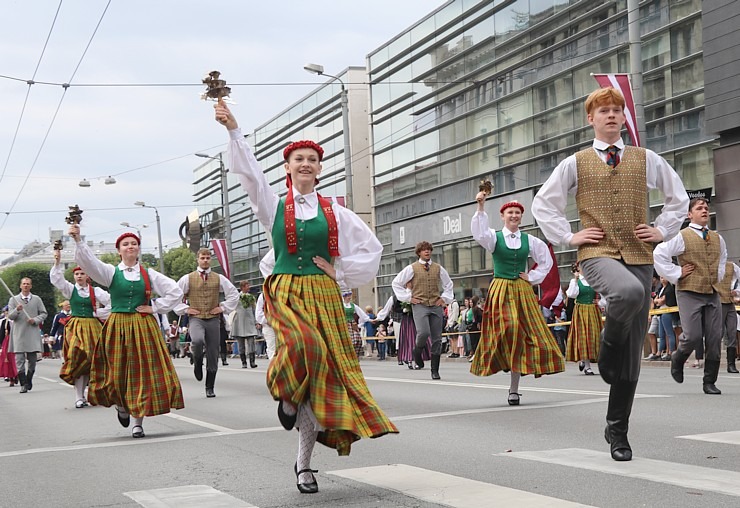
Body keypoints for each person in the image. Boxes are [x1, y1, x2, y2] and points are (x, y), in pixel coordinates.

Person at [215, 102, 398, 494]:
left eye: (312, 159)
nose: (306, 164)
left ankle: (304, 466)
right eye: (299, 158)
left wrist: (341, 271)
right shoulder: (273, 204)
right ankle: (283, 394)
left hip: (322, 290)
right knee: (305, 347)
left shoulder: (334, 210)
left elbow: (373, 248)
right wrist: (234, 130)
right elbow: (250, 174)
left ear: (320, 167)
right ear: (288, 166)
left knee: (320, 381)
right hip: (286, 289)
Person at [531, 86, 689, 461]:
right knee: (629, 294)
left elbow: (678, 197)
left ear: (623, 117)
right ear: (591, 118)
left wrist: (663, 230)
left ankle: (618, 431)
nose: (612, 115)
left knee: (632, 360)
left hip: (638, 252)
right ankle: (607, 347)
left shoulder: (646, 158)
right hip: (597, 252)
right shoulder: (576, 162)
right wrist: (570, 236)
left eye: (617, 110)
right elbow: (544, 204)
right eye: (604, 111)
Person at [70, 224, 184, 438]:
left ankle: (137, 422)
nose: (130, 246)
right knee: (117, 370)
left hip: (143, 326)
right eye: (126, 244)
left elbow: (175, 291)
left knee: (141, 372)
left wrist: (155, 307)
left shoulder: (149, 274)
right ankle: (122, 405)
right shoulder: (111, 273)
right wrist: (78, 240)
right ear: (119, 250)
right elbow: (89, 263)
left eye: (134, 244)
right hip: (118, 326)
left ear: (138, 249)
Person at [470, 196, 565, 405]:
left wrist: (531, 277)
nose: (514, 215)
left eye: (517, 213)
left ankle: (514, 389)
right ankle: (503, 358)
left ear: (521, 217)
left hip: (521, 289)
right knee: (510, 328)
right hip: (501, 288)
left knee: (523, 334)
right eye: (510, 212)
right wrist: (481, 205)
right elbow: (479, 233)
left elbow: (546, 261)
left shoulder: (529, 240)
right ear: (503, 217)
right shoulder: (494, 238)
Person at [654, 198, 728, 394]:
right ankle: (678, 357)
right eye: (699, 208)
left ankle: (709, 382)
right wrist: (676, 272)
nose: (704, 210)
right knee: (693, 336)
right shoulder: (682, 236)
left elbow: (723, 259)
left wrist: (718, 276)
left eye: (706, 207)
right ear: (689, 215)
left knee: (714, 337)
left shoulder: (717, 238)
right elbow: (659, 253)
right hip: (689, 291)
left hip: (712, 291)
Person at [50, 251, 111, 408]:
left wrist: (99, 313)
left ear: (87, 276)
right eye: (76, 273)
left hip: (93, 326)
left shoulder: (95, 291)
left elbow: (112, 303)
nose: (79, 276)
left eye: (82, 273)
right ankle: (78, 396)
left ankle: (91, 394)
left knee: (93, 361)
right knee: (78, 358)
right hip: (76, 327)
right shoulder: (71, 290)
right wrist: (57, 262)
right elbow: (57, 280)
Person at [175, 248, 238, 398]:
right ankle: (197, 361)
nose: (205, 260)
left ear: (211, 260)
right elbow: (174, 295)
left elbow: (234, 294)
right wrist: (185, 309)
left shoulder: (219, 278)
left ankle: (210, 386)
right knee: (196, 340)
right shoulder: (188, 278)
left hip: (213, 318)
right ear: (198, 259)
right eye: (202, 258)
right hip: (196, 318)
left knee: (213, 352)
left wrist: (222, 307)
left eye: (208, 258)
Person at [391, 241, 454, 380]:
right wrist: (408, 297)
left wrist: (444, 298)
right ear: (419, 252)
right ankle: (417, 351)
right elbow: (396, 283)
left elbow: (449, 284)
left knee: (437, 338)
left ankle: (435, 370)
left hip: (436, 305)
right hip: (420, 304)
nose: (427, 252)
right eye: (424, 250)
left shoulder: (438, 268)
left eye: (429, 250)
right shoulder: (412, 268)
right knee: (424, 332)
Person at [7, 277, 47, 394]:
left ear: (31, 286)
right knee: (19, 360)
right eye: (24, 284)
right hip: (18, 333)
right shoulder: (13, 299)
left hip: (32, 331)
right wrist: (17, 310)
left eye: (28, 284)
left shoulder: (37, 299)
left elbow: (44, 313)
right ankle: (23, 384)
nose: (25, 286)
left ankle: (29, 379)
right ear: (20, 286)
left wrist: (35, 320)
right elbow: (10, 316)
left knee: (32, 360)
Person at [565, 261, 602, 376]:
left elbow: (603, 295)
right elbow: (571, 294)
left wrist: (600, 302)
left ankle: (587, 361)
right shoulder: (575, 281)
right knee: (583, 337)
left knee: (595, 336)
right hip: (581, 311)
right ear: (578, 268)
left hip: (592, 310)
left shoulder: (593, 280)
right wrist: (575, 280)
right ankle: (587, 366)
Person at [230, 280, 259, 369]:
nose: (248, 287)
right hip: (239, 322)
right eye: (247, 286)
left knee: (251, 342)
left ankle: (252, 361)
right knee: (241, 344)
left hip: (249, 322)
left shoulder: (251, 297)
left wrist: (257, 321)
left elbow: (255, 310)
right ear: (242, 287)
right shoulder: (236, 297)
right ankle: (244, 362)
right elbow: (231, 307)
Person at [717, 261, 740, 373]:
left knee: (732, 332)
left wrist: (736, 291)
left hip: (730, 303)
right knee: (717, 334)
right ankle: (713, 362)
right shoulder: (712, 264)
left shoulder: (732, 266)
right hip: (717, 302)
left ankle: (731, 364)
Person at [653, 277, 677, 361]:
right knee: (661, 334)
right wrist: (657, 300)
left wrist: (658, 300)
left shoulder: (669, 288)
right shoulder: (660, 289)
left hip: (667, 311)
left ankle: (670, 352)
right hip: (661, 311)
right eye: (661, 277)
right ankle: (659, 353)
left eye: (664, 277)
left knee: (669, 333)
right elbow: (655, 300)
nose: (662, 279)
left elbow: (661, 301)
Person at [342, 289, 369, 357]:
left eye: (350, 296)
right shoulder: (341, 305)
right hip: (344, 324)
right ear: (344, 297)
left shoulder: (353, 305)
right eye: (348, 296)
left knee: (357, 339)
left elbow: (361, 313)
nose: (349, 297)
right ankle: (348, 355)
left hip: (353, 324)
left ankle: (355, 355)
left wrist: (369, 319)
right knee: (348, 341)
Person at [0, 307, 19, 387]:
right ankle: (11, 377)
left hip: (16, 342)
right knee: (7, 360)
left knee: (16, 360)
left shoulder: (16, 321)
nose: (6, 313)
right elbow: (1, 334)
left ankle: (16, 374)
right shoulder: (3, 321)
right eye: (5, 312)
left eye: (8, 312)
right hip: (7, 343)